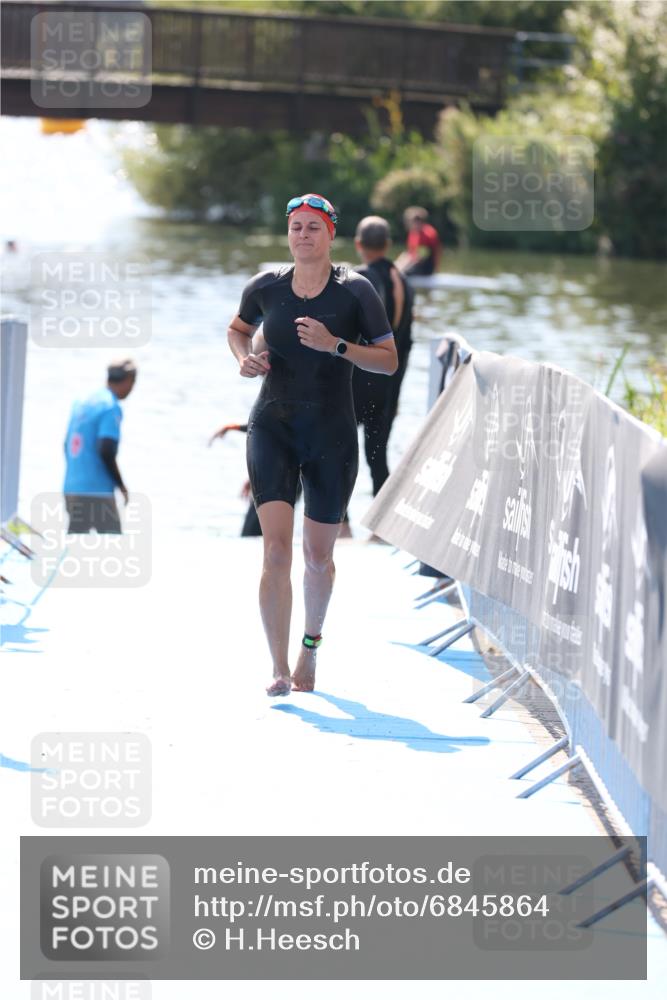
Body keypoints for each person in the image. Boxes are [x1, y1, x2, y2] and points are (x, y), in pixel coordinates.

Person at [227, 193, 398, 696]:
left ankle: (310, 647)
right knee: (275, 552)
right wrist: (243, 358)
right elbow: (238, 331)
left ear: (330, 236)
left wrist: (336, 345)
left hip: (331, 433)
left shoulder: (356, 292)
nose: (303, 235)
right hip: (272, 427)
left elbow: (387, 361)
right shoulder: (265, 287)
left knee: (318, 557)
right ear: (288, 234)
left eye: (313, 228)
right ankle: (278, 667)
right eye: (296, 227)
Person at [352, 214, 414, 499]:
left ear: (358, 244)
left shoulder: (361, 279)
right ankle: (382, 528)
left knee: (338, 450)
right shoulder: (404, 280)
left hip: (363, 381)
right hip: (390, 383)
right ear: (388, 244)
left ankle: (343, 525)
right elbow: (406, 342)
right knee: (377, 456)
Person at [63, 359, 136, 533]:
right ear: (128, 381)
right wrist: (122, 486)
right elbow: (106, 450)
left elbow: (65, 445)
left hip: (71, 488)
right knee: (114, 548)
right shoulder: (110, 407)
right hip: (96, 492)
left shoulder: (82, 402)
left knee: (76, 549)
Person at [395, 205, 441, 277]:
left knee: (401, 274)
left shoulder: (428, 234)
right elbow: (410, 253)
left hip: (425, 269)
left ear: (417, 222)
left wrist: (402, 267)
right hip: (417, 264)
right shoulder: (413, 233)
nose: (407, 224)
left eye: (409, 222)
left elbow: (421, 257)